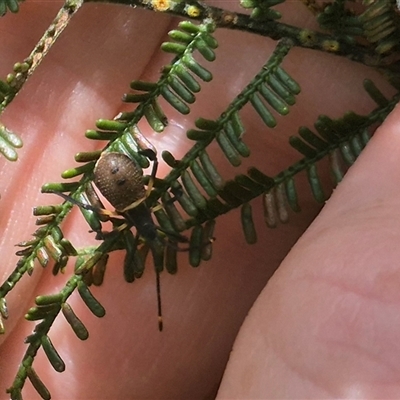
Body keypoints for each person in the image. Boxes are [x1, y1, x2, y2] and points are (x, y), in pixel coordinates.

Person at [0, 2, 399, 398]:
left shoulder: (137, 211)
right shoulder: (148, 207)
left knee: (124, 189)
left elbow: (113, 203)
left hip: (122, 182)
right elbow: (122, 197)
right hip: (122, 183)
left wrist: (95, 202)